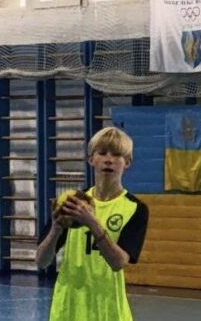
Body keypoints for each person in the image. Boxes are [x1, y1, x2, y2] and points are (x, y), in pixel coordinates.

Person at [36, 126, 149, 321]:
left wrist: (92, 222)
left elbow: (118, 262)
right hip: (68, 308)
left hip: (108, 309)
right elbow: (41, 261)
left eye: (116, 154)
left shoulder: (135, 208)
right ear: (91, 159)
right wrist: (56, 229)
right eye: (102, 153)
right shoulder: (73, 202)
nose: (108, 159)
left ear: (127, 162)